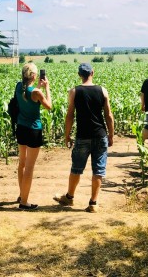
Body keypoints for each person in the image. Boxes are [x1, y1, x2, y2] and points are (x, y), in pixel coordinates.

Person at [53, 63, 114, 213]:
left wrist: (67, 135)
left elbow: (69, 116)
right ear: (92, 72)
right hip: (100, 135)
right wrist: (111, 135)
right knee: (98, 169)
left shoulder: (74, 91)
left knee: (76, 168)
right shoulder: (103, 91)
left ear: (79, 74)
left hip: (82, 136)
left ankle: (69, 197)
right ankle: (93, 202)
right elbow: (108, 115)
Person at [16, 62, 52, 210]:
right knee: (30, 167)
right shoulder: (37, 93)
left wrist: (38, 86)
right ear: (35, 75)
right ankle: (24, 202)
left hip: (21, 127)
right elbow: (49, 106)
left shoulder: (19, 86)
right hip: (33, 130)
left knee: (22, 163)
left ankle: (21, 194)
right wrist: (47, 88)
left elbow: (28, 93)